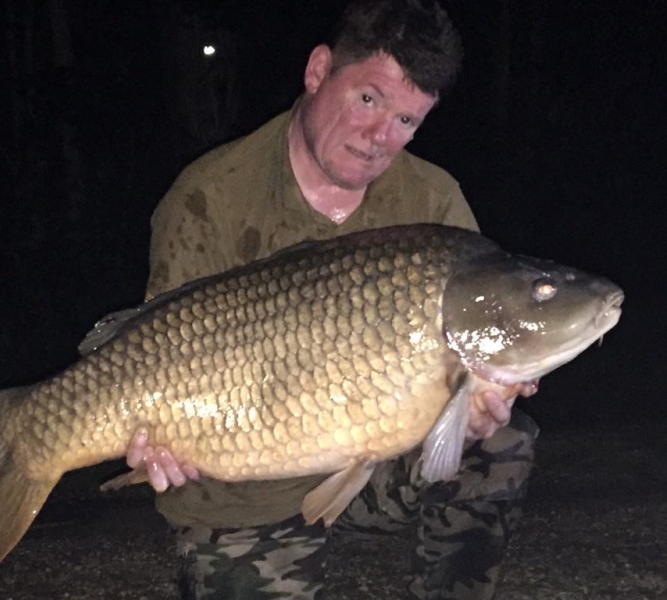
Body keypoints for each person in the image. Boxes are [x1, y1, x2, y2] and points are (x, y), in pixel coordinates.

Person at [126, 1, 539, 598]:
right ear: (318, 71)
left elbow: (475, 356)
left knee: (504, 443)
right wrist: (157, 440)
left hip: (380, 465)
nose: (380, 139)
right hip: (245, 479)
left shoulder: (433, 200)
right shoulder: (211, 197)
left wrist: (472, 415)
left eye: (407, 121)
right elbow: (159, 349)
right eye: (369, 100)